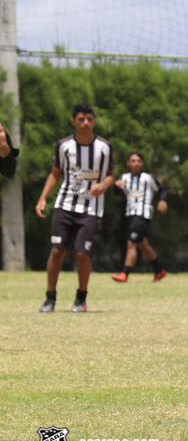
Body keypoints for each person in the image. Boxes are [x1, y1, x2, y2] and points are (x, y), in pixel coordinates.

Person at [35, 103, 115, 312]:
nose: (86, 123)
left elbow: (111, 175)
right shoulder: (63, 146)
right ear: (74, 122)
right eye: (81, 119)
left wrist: (103, 185)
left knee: (81, 253)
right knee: (57, 250)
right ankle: (50, 297)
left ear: (94, 121)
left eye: (89, 119)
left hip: (90, 208)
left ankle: (81, 298)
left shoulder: (104, 147)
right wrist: (43, 198)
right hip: (65, 204)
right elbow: (55, 173)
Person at [111, 151, 168, 283]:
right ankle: (159, 270)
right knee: (142, 244)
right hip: (130, 214)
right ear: (128, 163)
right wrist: (116, 186)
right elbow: (116, 194)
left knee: (131, 242)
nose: (136, 163)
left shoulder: (148, 178)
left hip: (143, 214)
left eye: (138, 161)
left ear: (142, 163)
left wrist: (162, 201)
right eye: (133, 161)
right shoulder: (124, 177)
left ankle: (124, 274)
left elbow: (161, 189)